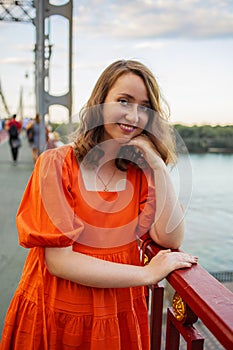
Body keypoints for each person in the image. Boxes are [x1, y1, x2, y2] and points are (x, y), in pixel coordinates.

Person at [0, 60, 198, 350]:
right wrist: (147, 273)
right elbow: (60, 262)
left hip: (118, 314)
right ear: (99, 103)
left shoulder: (140, 173)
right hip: (55, 311)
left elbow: (170, 237)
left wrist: (156, 163)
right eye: (123, 100)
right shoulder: (56, 165)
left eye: (144, 107)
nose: (133, 115)